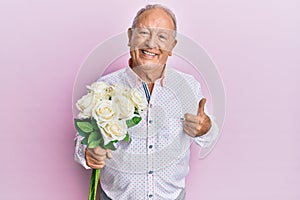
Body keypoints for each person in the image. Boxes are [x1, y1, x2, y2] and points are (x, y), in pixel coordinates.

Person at [75, 4, 219, 200]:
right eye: (143, 32)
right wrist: (88, 152)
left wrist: (205, 129)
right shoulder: (104, 87)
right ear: (130, 37)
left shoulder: (188, 87)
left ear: (171, 46)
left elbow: (209, 137)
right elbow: (81, 142)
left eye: (162, 37)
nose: (151, 44)